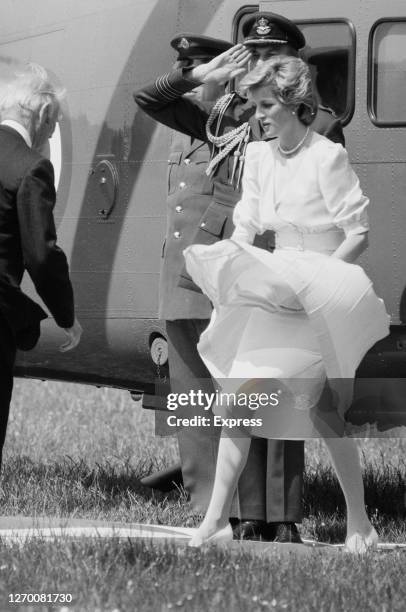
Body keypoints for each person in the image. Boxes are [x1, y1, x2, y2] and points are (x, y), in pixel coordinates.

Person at [134, 12, 344, 543]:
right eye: (249, 56)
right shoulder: (223, 116)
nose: (255, 66)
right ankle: (237, 513)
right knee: (224, 394)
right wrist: (197, 77)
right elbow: (149, 100)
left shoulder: (320, 123)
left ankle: (280, 513)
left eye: (267, 57)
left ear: (292, 62)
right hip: (227, 268)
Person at [183, 56, 389, 552]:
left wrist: (316, 285)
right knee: (237, 402)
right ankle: (215, 521)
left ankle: (360, 523)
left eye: (268, 105)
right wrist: (239, 274)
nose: (259, 115)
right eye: (255, 105)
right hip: (277, 287)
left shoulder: (327, 157)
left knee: (321, 412)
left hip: (324, 288)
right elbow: (249, 228)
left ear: (296, 104)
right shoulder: (257, 156)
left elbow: (357, 233)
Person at [141, 34, 233, 514]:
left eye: (195, 71)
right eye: (185, 72)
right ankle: (202, 500)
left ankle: (236, 501)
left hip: (215, 279)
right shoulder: (181, 130)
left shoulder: (233, 128)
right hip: (177, 278)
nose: (188, 83)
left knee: (229, 395)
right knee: (190, 397)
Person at [0, 63, 82, 468]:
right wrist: (66, 315)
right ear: (44, 113)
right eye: (54, 123)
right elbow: (41, 254)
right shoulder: (30, 166)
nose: (52, 133)